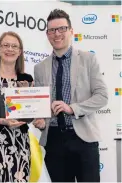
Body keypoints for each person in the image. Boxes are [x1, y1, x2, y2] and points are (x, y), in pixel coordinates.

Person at [33, 9, 108, 182]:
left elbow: (102, 96)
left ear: (71, 31)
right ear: (47, 34)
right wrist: (40, 120)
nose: (56, 34)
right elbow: (41, 105)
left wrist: (72, 108)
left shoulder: (89, 59)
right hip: (53, 139)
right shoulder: (40, 68)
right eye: (52, 30)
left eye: (61, 29)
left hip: (83, 139)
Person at [0, 31, 45, 182]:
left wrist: (36, 113)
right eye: (5, 45)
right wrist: (2, 121)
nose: (10, 49)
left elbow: (30, 113)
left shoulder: (27, 79)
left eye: (14, 46)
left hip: (20, 144)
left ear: (19, 52)